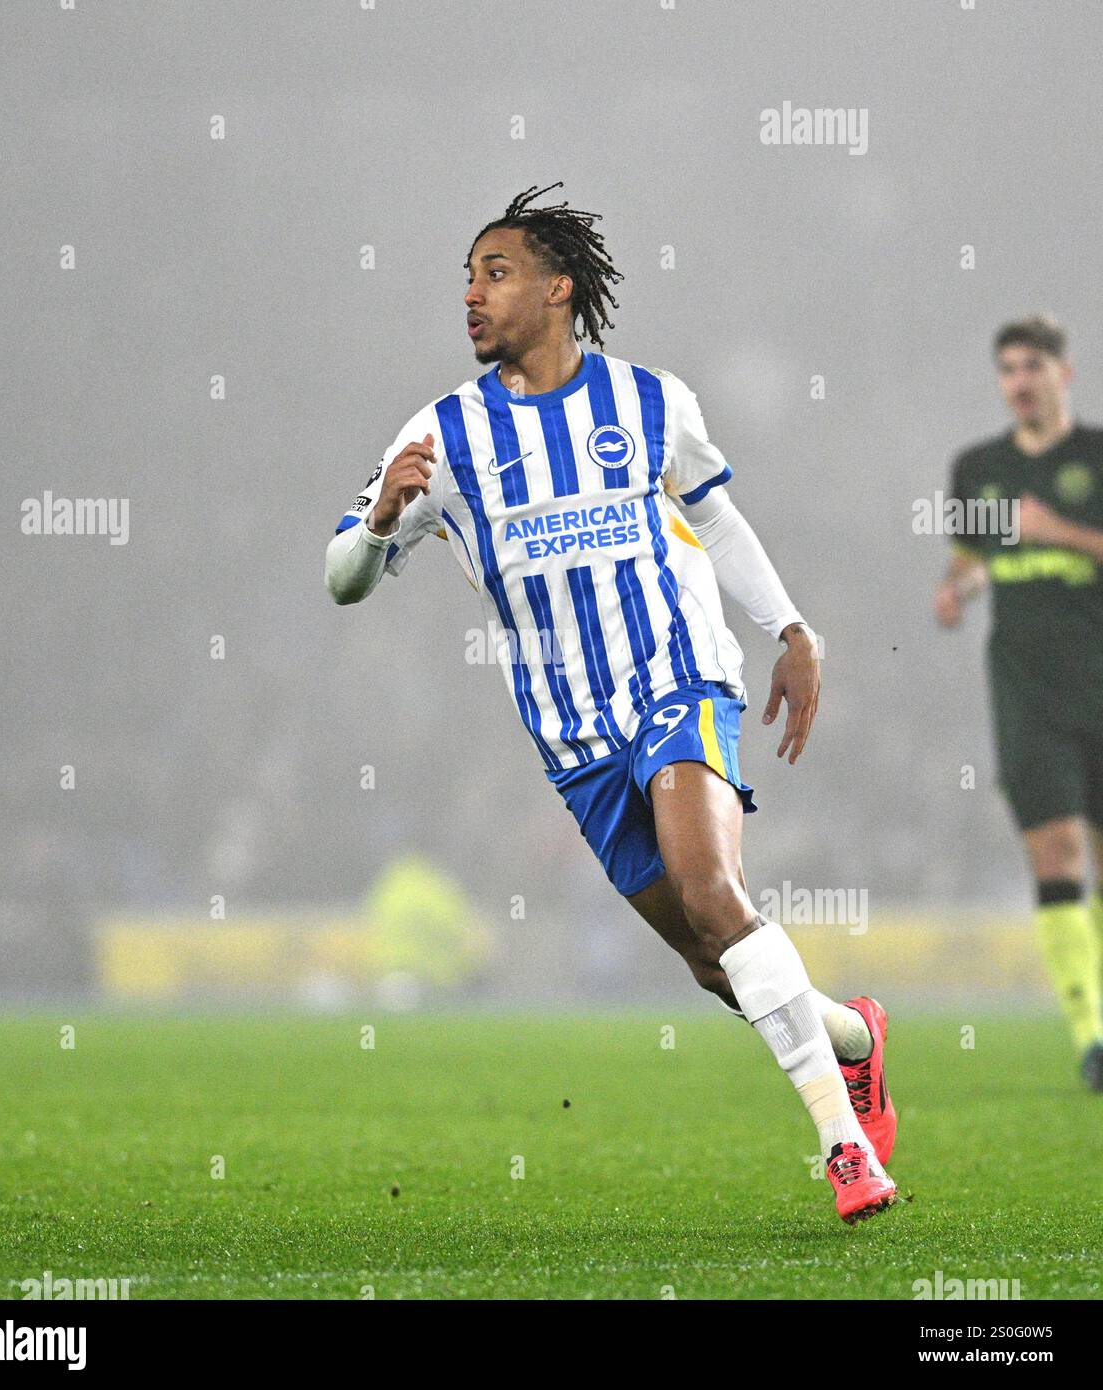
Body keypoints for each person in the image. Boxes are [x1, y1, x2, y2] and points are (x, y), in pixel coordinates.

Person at [327, 183, 898, 1220]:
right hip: (569, 729)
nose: (470, 295)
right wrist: (377, 520)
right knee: (703, 951)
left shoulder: (648, 402)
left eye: (492, 273)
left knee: (712, 888)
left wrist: (792, 630)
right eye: (464, 277)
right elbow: (341, 580)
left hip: (677, 679)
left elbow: (714, 517)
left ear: (557, 288)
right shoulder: (441, 433)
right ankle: (853, 1039)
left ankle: (843, 1148)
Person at [936, 315, 1103, 1089]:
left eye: (1033, 366)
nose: (1020, 381)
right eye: (1008, 369)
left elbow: (1057, 538)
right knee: (1054, 851)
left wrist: (1063, 532)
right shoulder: (978, 468)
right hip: (1025, 687)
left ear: (1064, 373)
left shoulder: (1096, 459)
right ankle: (1090, 1037)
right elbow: (973, 560)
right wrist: (957, 589)